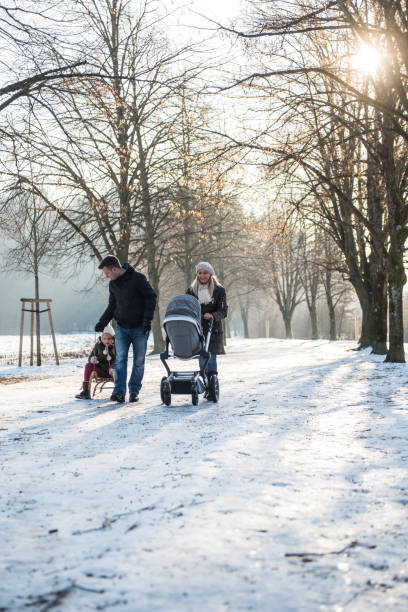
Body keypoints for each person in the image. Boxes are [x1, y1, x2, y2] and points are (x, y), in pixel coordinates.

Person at [95, 255, 157, 403]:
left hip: (140, 329)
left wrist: (147, 320)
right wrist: (102, 322)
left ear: (115, 269)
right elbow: (112, 306)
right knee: (120, 360)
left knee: (139, 361)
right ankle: (119, 392)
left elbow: (151, 297)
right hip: (122, 328)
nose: (106, 276)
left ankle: (134, 391)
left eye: (107, 273)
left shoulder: (138, 279)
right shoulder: (113, 285)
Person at [187, 262, 228, 380]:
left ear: (210, 274)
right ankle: (205, 381)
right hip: (197, 329)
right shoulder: (191, 291)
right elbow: (188, 307)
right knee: (202, 358)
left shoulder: (219, 290)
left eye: (205, 273)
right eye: (200, 273)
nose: (202, 275)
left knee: (211, 359)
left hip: (213, 329)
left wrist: (212, 315)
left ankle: (212, 383)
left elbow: (223, 311)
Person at [75, 330, 116, 400]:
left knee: (118, 368)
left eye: (109, 339)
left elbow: (120, 360)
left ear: (112, 339)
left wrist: (113, 367)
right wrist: (93, 359)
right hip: (102, 371)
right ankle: (86, 391)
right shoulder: (98, 345)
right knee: (88, 365)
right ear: (101, 339)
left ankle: (118, 392)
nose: (107, 341)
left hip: (113, 372)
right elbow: (90, 357)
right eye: (104, 339)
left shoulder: (116, 346)